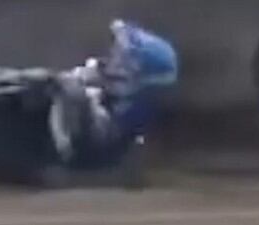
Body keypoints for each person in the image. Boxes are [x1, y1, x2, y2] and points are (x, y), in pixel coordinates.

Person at [49, 20, 179, 169]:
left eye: (125, 58)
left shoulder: (127, 119)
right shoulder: (109, 87)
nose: (114, 59)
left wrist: (83, 94)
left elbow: (96, 139)